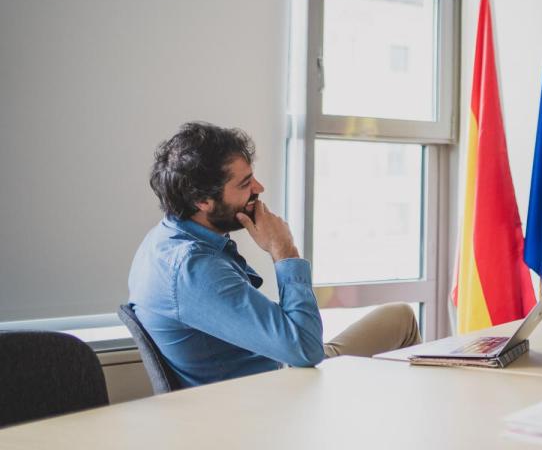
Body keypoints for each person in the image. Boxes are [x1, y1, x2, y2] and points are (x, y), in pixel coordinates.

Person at [129, 122, 421, 387]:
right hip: (273, 394)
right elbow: (306, 350)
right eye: (244, 184)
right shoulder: (193, 269)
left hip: (278, 370)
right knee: (400, 323)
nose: (259, 189)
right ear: (202, 200)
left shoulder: (163, 240)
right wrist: (284, 251)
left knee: (401, 317)